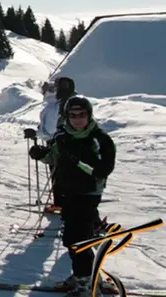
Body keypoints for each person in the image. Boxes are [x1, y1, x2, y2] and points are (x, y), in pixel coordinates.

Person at [28, 95, 116, 297]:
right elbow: (55, 157)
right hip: (67, 193)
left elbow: (102, 170)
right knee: (77, 237)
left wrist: (77, 160)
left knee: (76, 239)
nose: (77, 119)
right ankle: (88, 276)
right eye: (73, 115)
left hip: (87, 194)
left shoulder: (99, 139)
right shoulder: (64, 136)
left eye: (82, 115)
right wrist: (41, 154)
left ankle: (85, 285)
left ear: (89, 115)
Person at [38, 76, 77, 214]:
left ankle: (60, 203)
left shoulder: (59, 105)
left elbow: (51, 128)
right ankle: (69, 202)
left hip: (58, 142)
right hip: (71, 142)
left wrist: (38, 133)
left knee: (58, 173)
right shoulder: (73, 101)